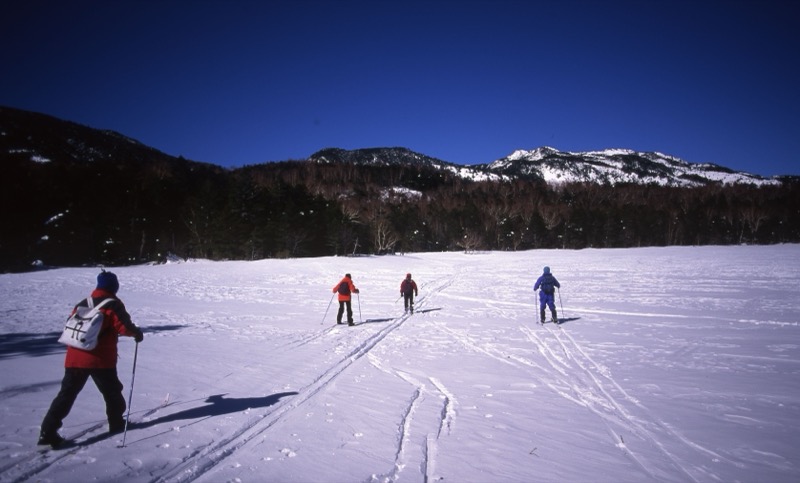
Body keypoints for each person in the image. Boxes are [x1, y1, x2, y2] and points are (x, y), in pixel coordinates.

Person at [38, 270, 144, 448]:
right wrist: (137, 333)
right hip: (100, 359)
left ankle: (47, 432)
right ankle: (116, 423)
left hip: (75, 356)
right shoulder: (113, 304)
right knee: (112, 392)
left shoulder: (83, 303)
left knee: (66, 395)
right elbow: (124, 327)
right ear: (113, 286)